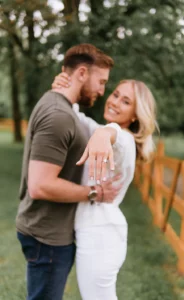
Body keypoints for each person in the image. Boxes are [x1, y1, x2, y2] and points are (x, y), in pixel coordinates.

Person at [16, 43, 122, 300]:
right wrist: (95, 192)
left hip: (48, 231)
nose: (102, 90)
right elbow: (40, 185)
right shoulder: (58, 115)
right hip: (47, 235)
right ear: (82, 73)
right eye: (101, 81)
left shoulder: (62, 107)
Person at [52, 74, 158, 299]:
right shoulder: (99, 130)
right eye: (116, 94)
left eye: (126, 102)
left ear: (135, 116)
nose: (115, 102)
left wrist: (104, 133)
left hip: (100, 235)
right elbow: (78, 117)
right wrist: (64, 87)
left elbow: (115, 136)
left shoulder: (125, 140)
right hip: (95, 232)